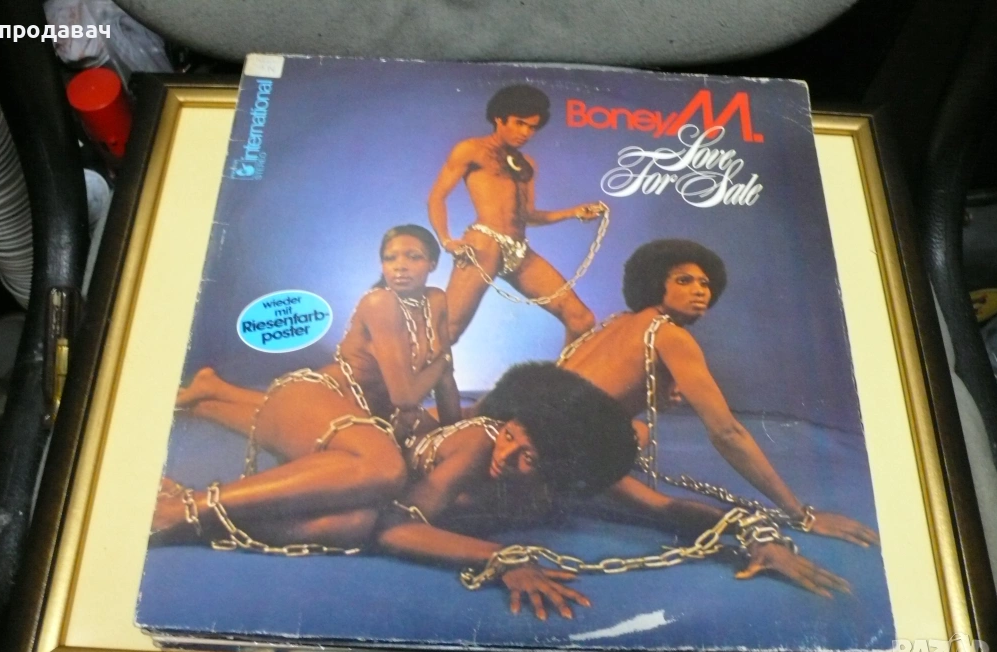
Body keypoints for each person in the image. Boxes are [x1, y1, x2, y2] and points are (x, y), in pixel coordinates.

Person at [376, 362, 853, 621]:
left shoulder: (564, 469)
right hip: (403, 439)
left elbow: (665, 508)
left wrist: (755, 535)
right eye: (511, 435)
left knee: (631, 440)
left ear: (557, 469)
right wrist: (502, 559)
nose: (508, 454)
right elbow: (393, 528)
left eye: (529, 457)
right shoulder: (482, 445)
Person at [151, 225, 460, 551]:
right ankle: (187, 506)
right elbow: (406, 396)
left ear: (432, 263)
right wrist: (442, 361)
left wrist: (453, 432)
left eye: (413, 257)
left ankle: (210, 393)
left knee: (355, 517)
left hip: (352, 411)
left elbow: (445, 379)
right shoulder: (380, 302)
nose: (400, 266)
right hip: (320, 393)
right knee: (381, 466)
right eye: (390, 258)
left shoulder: (435, 300)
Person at [557, 239, 880, 547]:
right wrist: (800, 515)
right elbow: (727, 433)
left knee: (637, 430)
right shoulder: (670, 336)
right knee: (633, 437)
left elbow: (587, 386)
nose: (700, 290)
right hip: (559, 457)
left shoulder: (618, 322)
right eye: (684, 280)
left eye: (705, 283)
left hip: (536, 429)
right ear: (655, 284)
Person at [428, 84, 605, 345]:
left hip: (519, 250)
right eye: (519, 123)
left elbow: (528, 215)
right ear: (499, 119)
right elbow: (436, 198)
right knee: (448, 331)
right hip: (484, 244)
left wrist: (574, 212)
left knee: (581, 319)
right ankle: (403, 372)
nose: (525, 133)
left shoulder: (527, 163)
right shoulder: (471, 149)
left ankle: (560, 374)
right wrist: (446, 240)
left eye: (532, 127)